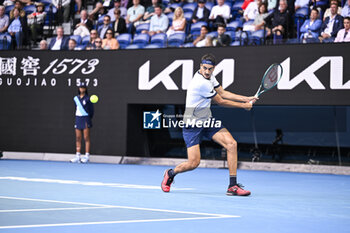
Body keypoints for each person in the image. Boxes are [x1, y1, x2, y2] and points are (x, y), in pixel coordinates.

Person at [161, 54, 257, 196]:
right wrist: (244, 105)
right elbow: (221, 101)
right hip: (192, 124)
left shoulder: (210, 77)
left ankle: (232, 186)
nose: (207, 71)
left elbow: (223, 92)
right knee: (193, 163)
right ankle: (170, 173)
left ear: (214, 69)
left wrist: (247, 98)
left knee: (231, 144)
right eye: (204, 68)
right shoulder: (201, 83)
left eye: (210, 69)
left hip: (206, 120)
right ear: (200, 66)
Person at [70, 82, 94, 164]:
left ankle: (87, 156)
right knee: (78, 138)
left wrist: (88, 118)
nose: (82, 89)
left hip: (86, 118)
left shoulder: (88, 99)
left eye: (83, 88)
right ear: (79, 89)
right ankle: (77, 156)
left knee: (86, 137)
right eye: (80, 87)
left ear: (85, 89)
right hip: (78, 119)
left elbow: (91, 111)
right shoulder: (76, 98)